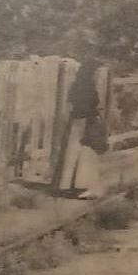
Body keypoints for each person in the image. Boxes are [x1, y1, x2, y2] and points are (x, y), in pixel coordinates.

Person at [57, 59, 107, 199]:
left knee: (71, 152)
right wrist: (94, 113)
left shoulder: (76, 84)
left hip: (76, 119)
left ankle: (65, 185)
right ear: (91, 72)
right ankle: (82, 187)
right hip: (86, 120)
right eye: (96, 71)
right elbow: (91, 104)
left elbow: (72, 102)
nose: (97, 74)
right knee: (86, 154)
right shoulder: (89, 85)